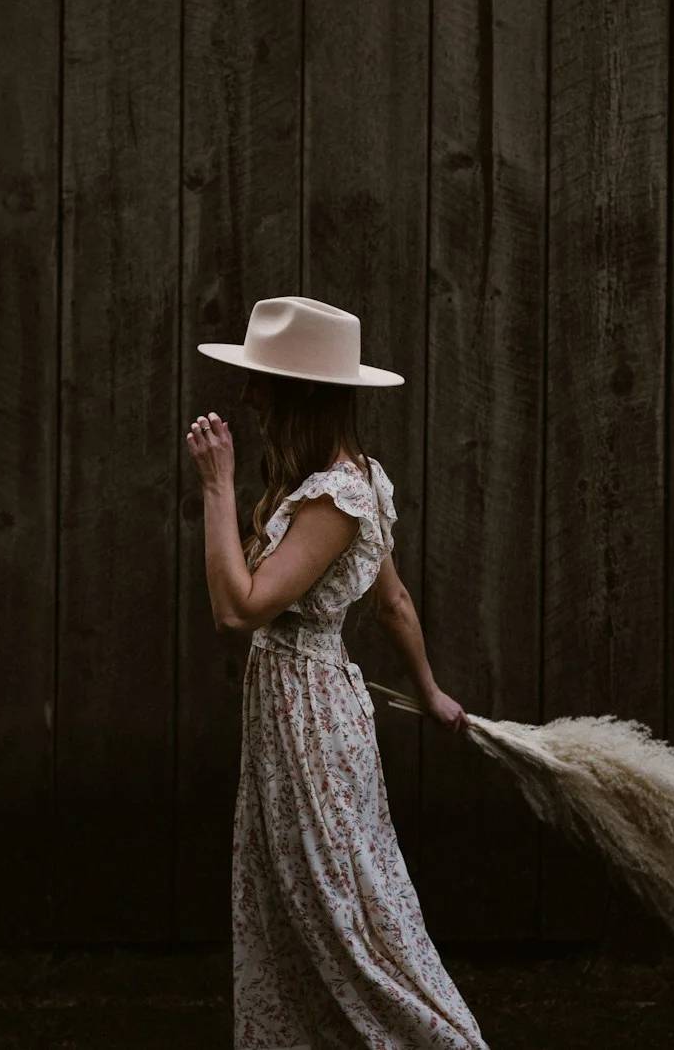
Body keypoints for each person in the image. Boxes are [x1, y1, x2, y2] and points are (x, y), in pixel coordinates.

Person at [188, 295, 490, 1050]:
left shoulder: (340, 497)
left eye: (263, 380)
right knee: (300, 910)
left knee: (347, 920)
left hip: (310, 726)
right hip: (300, 718)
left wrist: (217, 486)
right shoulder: (346, 479)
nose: (249, 395)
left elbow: (239, 609)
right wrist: (431, 692)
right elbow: (394, 605)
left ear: (299, 393)